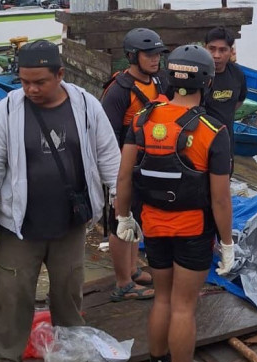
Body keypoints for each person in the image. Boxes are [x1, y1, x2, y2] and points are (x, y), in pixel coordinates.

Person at [0, 40, 121, 362]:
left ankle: (71, 341)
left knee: (68, 286)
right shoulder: (6, 110)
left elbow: (109, 157)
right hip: (19, 222)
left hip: (70, 220)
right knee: (11, 289)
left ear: (60, 75)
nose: (31, 89)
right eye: (24, 81)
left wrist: (121, 205)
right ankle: (8, 354)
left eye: (39, 81)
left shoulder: (86, 105)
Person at [114, 44, 233, 362]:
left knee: (162, 300)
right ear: (207, 82)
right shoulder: (214, 130)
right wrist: (226, 243)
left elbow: (124, 177)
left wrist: (123, 217)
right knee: (184, 306)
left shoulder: (144, 118)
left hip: (153, 224)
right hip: (193, 229)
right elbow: (220, 198)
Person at [100, 28, 169, 302]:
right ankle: (123, 283)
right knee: (121, 220)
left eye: (158, 54)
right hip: (123, 167)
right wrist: (116, 176)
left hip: (147, 165)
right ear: (132, 56)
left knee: (136, 219)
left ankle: (132, 268)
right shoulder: (118, 91)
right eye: (149, 54)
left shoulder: (158, 82)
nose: (155, 60)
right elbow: (106, 136)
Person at [203, 26, 247, 162]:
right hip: (199, 141)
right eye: (212, 49)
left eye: (222, 50)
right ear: (205, 48)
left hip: (225, 139)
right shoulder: (196, 73)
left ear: (231, 51)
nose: (216, 55)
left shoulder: (237, 74)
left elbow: (239, 101)